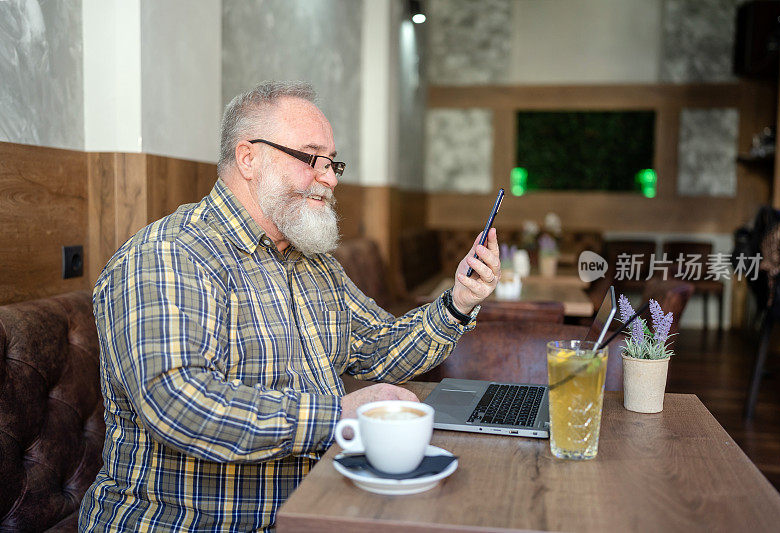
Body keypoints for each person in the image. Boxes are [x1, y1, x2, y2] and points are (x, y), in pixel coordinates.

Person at [79, 81, 500, 531]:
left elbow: (381, 348)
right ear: (248, 158)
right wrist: (337, 415)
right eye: (310, 158)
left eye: (332, 162)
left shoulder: (312, 262)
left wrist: (458, 302)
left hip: (312, 507)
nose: (331, 178)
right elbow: (179, 404)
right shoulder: (170, 254)